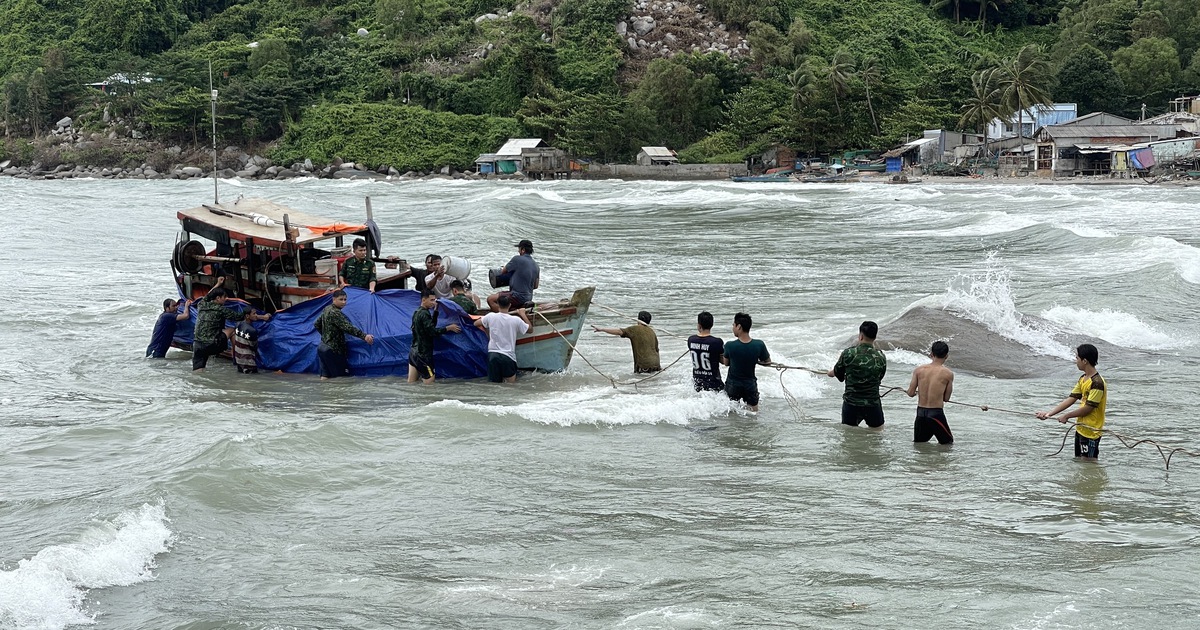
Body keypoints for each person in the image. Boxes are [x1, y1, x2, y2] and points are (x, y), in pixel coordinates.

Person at [1036, 343, 1107, 460]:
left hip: (1091, 431)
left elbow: (1089, 408)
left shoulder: (1097, 383)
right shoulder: (1083, 379)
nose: (1076, 361)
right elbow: (1071, 399)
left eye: (1077, 358)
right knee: (1080, 462)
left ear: (1085, 361)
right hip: (1080, 428)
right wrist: (1048, 414)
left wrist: (1067, 416)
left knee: (1089, 464)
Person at [192, 285, 269, 371]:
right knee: (232, 330)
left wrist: (218, 283)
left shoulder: (201, 304)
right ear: (218, 298)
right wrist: (248, 311)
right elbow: (239, 317)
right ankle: (236, 358)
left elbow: (208, 295)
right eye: (224, 297)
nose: (226, 299)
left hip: (197, 344)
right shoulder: (221, 310)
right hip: (212, 344)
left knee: (198, 371)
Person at [828, 320, 887, 429]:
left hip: (851, 404)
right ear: (875, 337)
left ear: (860, 336)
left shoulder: (848, 353)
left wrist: (830, 373)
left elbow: (839, 375)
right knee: (877, 434)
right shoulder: (881, 356)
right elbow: (880, 377)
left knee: (849, 436)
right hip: (873, 404)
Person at [315, 289, 376, 380]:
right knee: (341, 379)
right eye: (341, 299)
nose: (344, 302)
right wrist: (364, 336)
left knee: (325, 377)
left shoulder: (327, 309)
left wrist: (326, 336)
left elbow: (316, 324)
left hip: (322, 347)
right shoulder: (336, 313)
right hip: (333, 350)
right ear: (334, 299)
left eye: (345, 299)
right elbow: (348, 328)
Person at [474, 294, 532, 383]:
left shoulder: (490, 316)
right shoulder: (515, 320)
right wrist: (523, 314)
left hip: (493, 355)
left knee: (494, 385)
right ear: (510, 305)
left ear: (497, 304)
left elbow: (476, 323)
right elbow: (530, 329)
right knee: (510, 385)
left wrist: (487, 332)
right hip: (508, 356)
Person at [408, 289, 462, 383]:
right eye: (431, 300)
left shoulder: (416, 312)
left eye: (434, 300)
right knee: (430, 383)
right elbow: (432, 331)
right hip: (423, 354)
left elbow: (430, 326)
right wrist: (448, 328)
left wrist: (436, 311)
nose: (434, 302)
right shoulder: (425, 313)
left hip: (413, 352)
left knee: (411, 382)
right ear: (424, 300)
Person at [906, 340, 955, 444]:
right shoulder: (948, 374)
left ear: (931, 354)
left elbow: (910, 393)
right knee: (948, 443)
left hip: (920, 414)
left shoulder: (919, 370)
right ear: (946, 356)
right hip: (935, 414)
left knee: (919, 444)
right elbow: (946, 398)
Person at [721, 312, 771, 411]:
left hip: (733, 385)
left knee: (732, 412)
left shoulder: (729, 345)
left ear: (739, 326)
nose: (733, 328)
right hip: (750, 384)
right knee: (753, 412)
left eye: (733, 325)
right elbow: (767, 362)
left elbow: (726, 363)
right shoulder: (759, 344)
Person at [592, 310, 661, 373]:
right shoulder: (652, 331)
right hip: (656, 364)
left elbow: (619, 331)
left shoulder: (635, 329)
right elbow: (656, 349)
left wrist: (602, 329)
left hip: (644, 365)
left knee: (642, 385)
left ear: (639, 320)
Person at [487, 239, 539, 311]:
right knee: (501, 296)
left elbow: (503, 271)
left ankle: (502, 317)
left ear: (523, 250)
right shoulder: (536, 265)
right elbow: (535, 286)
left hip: (517, 296)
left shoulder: (517, 259)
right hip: (529, 297)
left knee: (491, 299)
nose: (518, 251)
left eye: (519, 249)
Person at [688, 311, 724, 392]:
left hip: (697, 383)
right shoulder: (717, 342)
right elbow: (723, 361)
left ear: (699, 325)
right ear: (712, 325)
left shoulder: (691, 340)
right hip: (714, 383)